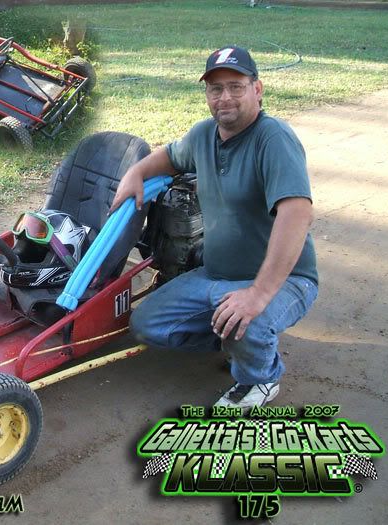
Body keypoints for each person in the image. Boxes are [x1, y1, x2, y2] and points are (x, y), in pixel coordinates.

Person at [110, 46, 318, 411]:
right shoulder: (204, 135)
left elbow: (297, 214)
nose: (225, 97)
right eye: (215, 88)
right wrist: (136, 172)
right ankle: (234, 337)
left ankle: (260, 377)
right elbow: (170, 156)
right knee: (145, 325)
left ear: (258, 89)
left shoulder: (274, 139)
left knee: (247, 319)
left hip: (284, 281)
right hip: (216, 274)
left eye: (236, 87)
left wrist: (256, 295)